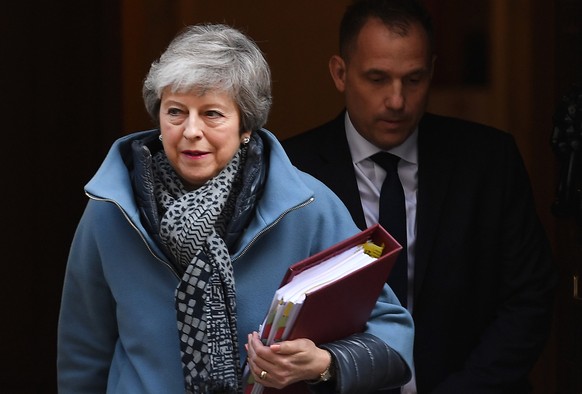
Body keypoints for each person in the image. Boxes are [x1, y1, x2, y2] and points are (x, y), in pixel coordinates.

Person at [56, 23, 414, 394]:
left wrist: (323, 363)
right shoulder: (110, 209)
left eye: (212, 113)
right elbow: (83, 356)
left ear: (246, 124)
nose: (191, 130)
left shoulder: (307, 206)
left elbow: (391, 333)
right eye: (176, 111)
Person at [282, 0, 557, 393]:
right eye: (377, 79)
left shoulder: (488, 161)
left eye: (413, 80)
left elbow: (529, 297)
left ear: (432, 71)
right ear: (340, 73)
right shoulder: (292, 172)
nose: (397, 101)